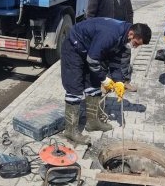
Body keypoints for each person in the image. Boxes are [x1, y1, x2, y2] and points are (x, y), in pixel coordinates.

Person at [61, 17, 151, 145]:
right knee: (74, 89)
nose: (135, 47)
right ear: (131, 34)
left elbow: (116, 62)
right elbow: (93, 60)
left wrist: (119, 81)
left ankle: (92, 123)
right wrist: (104, 79)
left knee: (93, 85)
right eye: (136, 43)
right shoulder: (111, 34)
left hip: (89, 49)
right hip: (74, 47)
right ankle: (70, 130)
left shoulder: (124, 38)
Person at [86, 0, 136, 92]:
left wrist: (130, 28)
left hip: (123, 32)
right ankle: (104, 82)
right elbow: (90, 15)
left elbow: (129, 11)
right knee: (103, 58)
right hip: (105, 33)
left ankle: (123, 81)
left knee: (124, 56)